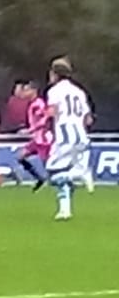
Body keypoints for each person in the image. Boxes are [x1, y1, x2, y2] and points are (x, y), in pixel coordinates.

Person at [46, 57, 95, 221]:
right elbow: (88, 119)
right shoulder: (79, 91)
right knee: (63, 173)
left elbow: (52, 112)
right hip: (80, 135)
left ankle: (80, 174)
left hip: (65, 136)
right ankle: (65, 209)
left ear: (54, 73)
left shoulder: (54, 91)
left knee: (53, 172)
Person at [12, 80, 51, 190]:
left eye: (27, 90)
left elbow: (44, 120)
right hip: (36, 139)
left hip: (43, 139)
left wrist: (30, 130)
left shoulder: (38, 104)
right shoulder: (33, 104)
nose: (24, 92)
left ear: (34, 91)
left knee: (48, 164)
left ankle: (56, 181)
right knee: (20, 157)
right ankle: (40, 178)